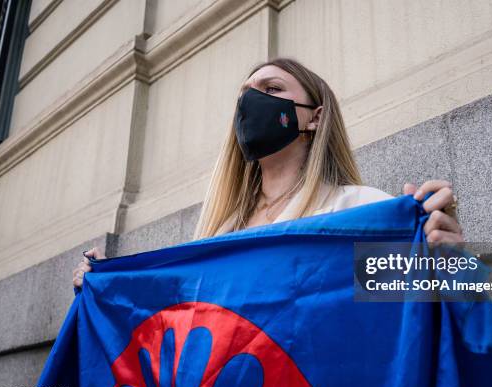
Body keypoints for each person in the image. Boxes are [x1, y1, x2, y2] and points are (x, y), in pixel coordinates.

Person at [73, 58, 463, 288]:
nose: (250, 102)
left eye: (271, 88)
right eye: (245, 93)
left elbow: (411, 318)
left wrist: (447, 262)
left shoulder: (360, 210)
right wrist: (108, 284)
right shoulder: (218, 235)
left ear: (316, 117)